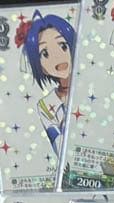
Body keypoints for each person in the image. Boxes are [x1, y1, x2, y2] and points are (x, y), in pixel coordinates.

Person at [17, 11, 76, 157]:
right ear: (40, 66)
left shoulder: (91, 87)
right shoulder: (46, 105)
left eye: (63, 46)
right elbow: (59, 147)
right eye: (45, 54)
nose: (57, 56)